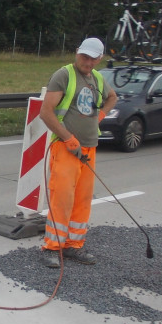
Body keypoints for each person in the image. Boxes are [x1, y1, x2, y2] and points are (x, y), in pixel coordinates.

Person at [39, 37, 118, 268]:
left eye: (93, 58)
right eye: (84, 56)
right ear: (77, 53)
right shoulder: (64, 75)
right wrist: (67, 137)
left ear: (100, 58)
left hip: (89, 148)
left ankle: (73, 245)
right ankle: (52, 247)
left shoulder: (98, 79)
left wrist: (99, 116)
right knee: (62, 199)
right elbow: (46, 112)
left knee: (82, 201)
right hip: (65, 148)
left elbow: (112, 97)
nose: (88, 62)